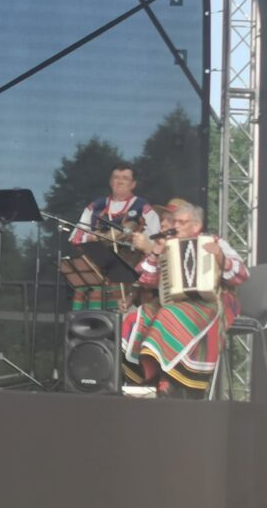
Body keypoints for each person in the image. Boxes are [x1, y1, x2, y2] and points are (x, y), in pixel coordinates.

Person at [121, 200, 249, 397]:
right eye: (174, 222)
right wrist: (155, 252)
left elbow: (242, 274)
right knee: (138, 316)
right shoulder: (168, 245)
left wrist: (221, 258)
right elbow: (146, 279)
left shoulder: (214, 242)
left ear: (196, 226)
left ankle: (168, 380)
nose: (175, 226)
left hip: (210, 301)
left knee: (169, 315)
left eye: (181, 222)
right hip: (176, 301)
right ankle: (146, 377)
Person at [68, 163, 160, 311]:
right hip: (96, 274)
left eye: (125, 178)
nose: (120, 181)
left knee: (119, 320)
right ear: (110, 182)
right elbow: (75, 237)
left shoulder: (143, 208)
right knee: (91, 320)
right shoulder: (95, 207)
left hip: (126, 277)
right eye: (116, 177)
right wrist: (90, 238)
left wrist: (137, 241)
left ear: (133, 184)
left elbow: (155, 243)